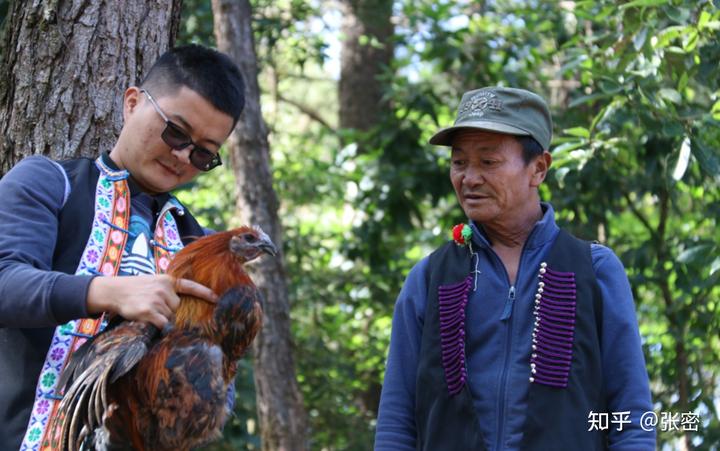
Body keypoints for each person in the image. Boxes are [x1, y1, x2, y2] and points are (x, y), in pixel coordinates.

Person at [374, 87, 655, 450]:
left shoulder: (594, 271)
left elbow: (631, 416)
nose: (469, 178)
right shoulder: (429, 279)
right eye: (459, 162)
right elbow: (397, 423)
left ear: (538, 168)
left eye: (488, 162)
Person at [0, 44, 245, 449]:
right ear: (132, 103)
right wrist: (108, 291)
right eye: (176, 131)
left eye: (204, 153)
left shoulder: (195, 243)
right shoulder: (48, 184)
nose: (183, 156)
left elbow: (217, 383)